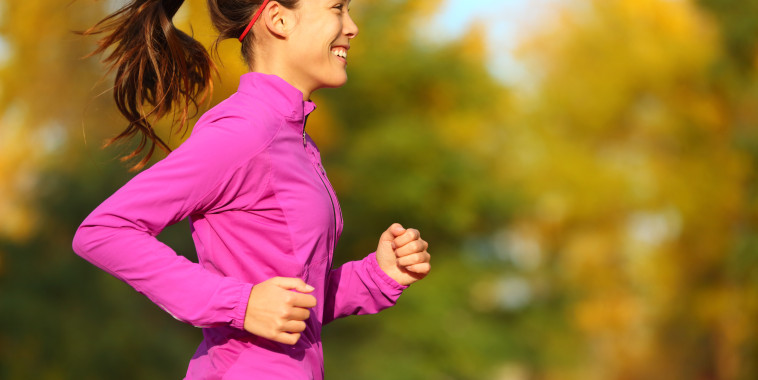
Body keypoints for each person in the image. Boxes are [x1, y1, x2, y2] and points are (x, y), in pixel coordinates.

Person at [71, 0, 432, 379]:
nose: (352, 26)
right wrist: (239, 305)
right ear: (279, 19)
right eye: (338, 8)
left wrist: (377, 276)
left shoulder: (295, 139)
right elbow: (104, 231)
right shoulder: (245, 132)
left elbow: (292, 298)